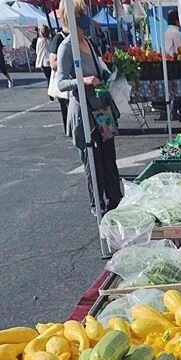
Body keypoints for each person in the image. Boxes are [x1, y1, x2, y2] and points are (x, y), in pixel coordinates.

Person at [58, 0, 122, 215]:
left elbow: (100, 69)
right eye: (80, 15)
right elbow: (60, 83)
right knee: (93, 162)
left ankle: (116, 198)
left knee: (109, 158)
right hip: (85, 113)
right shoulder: (66, 47)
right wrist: (83, 80)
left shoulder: (89, 42)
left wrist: (109, 75)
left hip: (102, 109)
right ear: (70, 19)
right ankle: (98, 204)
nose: (85, 18)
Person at [165, 10, 181, 121]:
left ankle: (176, 109)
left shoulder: (166, 32)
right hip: (177, 65)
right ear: (177, 21)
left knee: (175, 89)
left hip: (167, 64)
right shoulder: (176, 33)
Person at [49, 28, 69, 130]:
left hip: (77, 82)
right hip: (65, 82)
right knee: (66, 108)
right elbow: (53, 64)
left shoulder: (82, 37)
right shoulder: (58, 38)